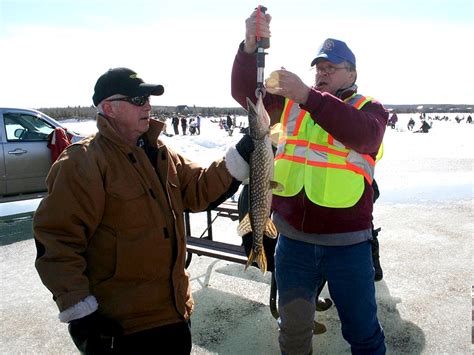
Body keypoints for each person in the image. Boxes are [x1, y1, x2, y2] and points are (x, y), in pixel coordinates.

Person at [33, 67, 252, 355]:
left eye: (148, 98)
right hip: (123, 328)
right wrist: (81, 313)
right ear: (108, 108)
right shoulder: (83, 162)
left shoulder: (160, 151)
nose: (148, 105)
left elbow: (199, 188)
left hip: (174, 314)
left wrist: (243, 152)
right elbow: (58, 240)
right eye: (138, 99)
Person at [231, 10, 387, 354]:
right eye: (319, 67)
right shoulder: (291, 105)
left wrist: (307, 95)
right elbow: (247, 93)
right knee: (293, 333)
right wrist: (248, 50)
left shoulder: (370, 109)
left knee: (363, 334)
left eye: (332, 67)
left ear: (353, 73)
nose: (323, 72)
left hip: (348, 246)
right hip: (294, 244)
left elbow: (363, 135)